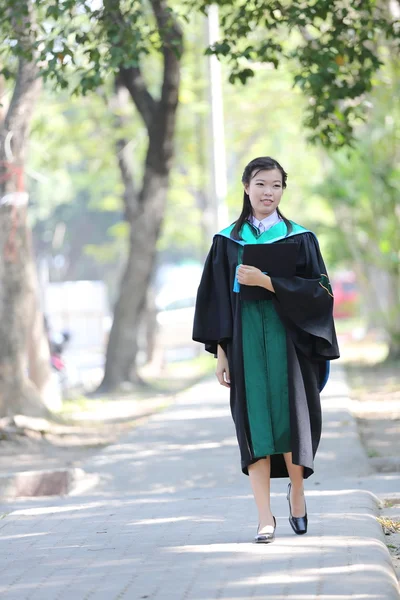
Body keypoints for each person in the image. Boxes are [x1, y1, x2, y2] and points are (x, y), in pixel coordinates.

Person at [192, 156, 339, 544]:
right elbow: (217, 302)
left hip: (289, 345)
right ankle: (263, 517)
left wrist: (269, 281)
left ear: (283, 190)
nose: (268, 193)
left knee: (293, 424)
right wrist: (221, 351)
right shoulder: (226, 242)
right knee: (253, 428)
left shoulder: (300, 238)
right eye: (260, 184)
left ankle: (298, 495)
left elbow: (321, 293)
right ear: (245, 187)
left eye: (275, 185)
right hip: (244, 348)